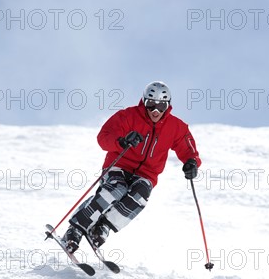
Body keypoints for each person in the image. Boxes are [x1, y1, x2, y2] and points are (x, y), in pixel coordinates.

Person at [62, 81, 201, 253]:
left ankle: (102, 228)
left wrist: (191, 162)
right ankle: (75, 229)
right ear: (144, 102)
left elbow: (188, 149)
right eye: (151, 104)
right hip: (119, 165)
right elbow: (103, 137)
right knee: (115, 190)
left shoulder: (176, 127)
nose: (155, 111)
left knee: (139, 197)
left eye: (161, 106)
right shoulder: (128, 116)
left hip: (147, 174)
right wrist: (121, 141)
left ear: (168, 106)